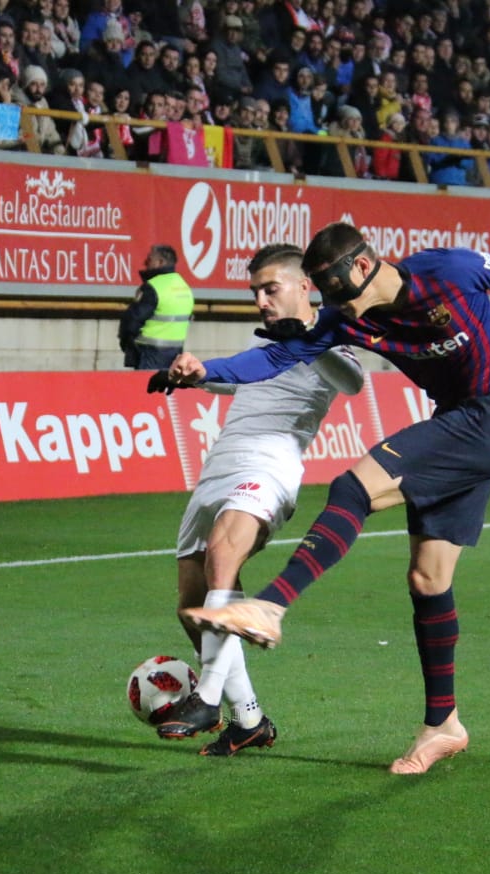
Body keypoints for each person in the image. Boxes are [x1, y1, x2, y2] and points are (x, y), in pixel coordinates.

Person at [171, 221, 490, 774]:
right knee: (428, 580)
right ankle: (442, 725)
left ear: (361, 267)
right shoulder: (343, 317)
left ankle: (273, 603)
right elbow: (274, 360)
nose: (337, 308)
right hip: (455, 423)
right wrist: (205, 371)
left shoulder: (447, 270)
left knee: (353, 487)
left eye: (337, 293)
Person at [145, 244, 365, 753]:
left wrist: (311, 340)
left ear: (303, 286)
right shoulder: (262, 336)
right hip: (221, 465)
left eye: (271, 289)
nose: (262, 301)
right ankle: (249, 720)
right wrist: (198, 375)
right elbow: (246, 379)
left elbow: (353, 381)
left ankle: (206, 696)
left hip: (270, 466)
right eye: (256, 292)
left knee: (225, 555)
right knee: (192, 605)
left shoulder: (331, 333)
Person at [118, 244, 193, 371]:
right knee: (166, 390)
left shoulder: (153, 287)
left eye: (149, 259)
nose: (145, 263)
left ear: (160, 262)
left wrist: (126, 343)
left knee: (146, 389)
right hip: (175, 354)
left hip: (149, 354)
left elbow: (132, 320)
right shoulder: (184, 286)